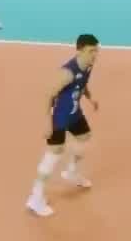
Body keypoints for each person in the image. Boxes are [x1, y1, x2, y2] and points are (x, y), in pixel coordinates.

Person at [27, 34, 99, 217]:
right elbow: (48, 95)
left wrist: (90, 98)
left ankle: (71, 172)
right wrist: (47, 123)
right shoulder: (67, 73)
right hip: (58, 117)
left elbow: (83, 84)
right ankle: (36, 198)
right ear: (79, 50)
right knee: (54, 154)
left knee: (84, 137)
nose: (94, 54)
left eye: (96, 50)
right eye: (91, 51)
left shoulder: (88, 65)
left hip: (74, 114)